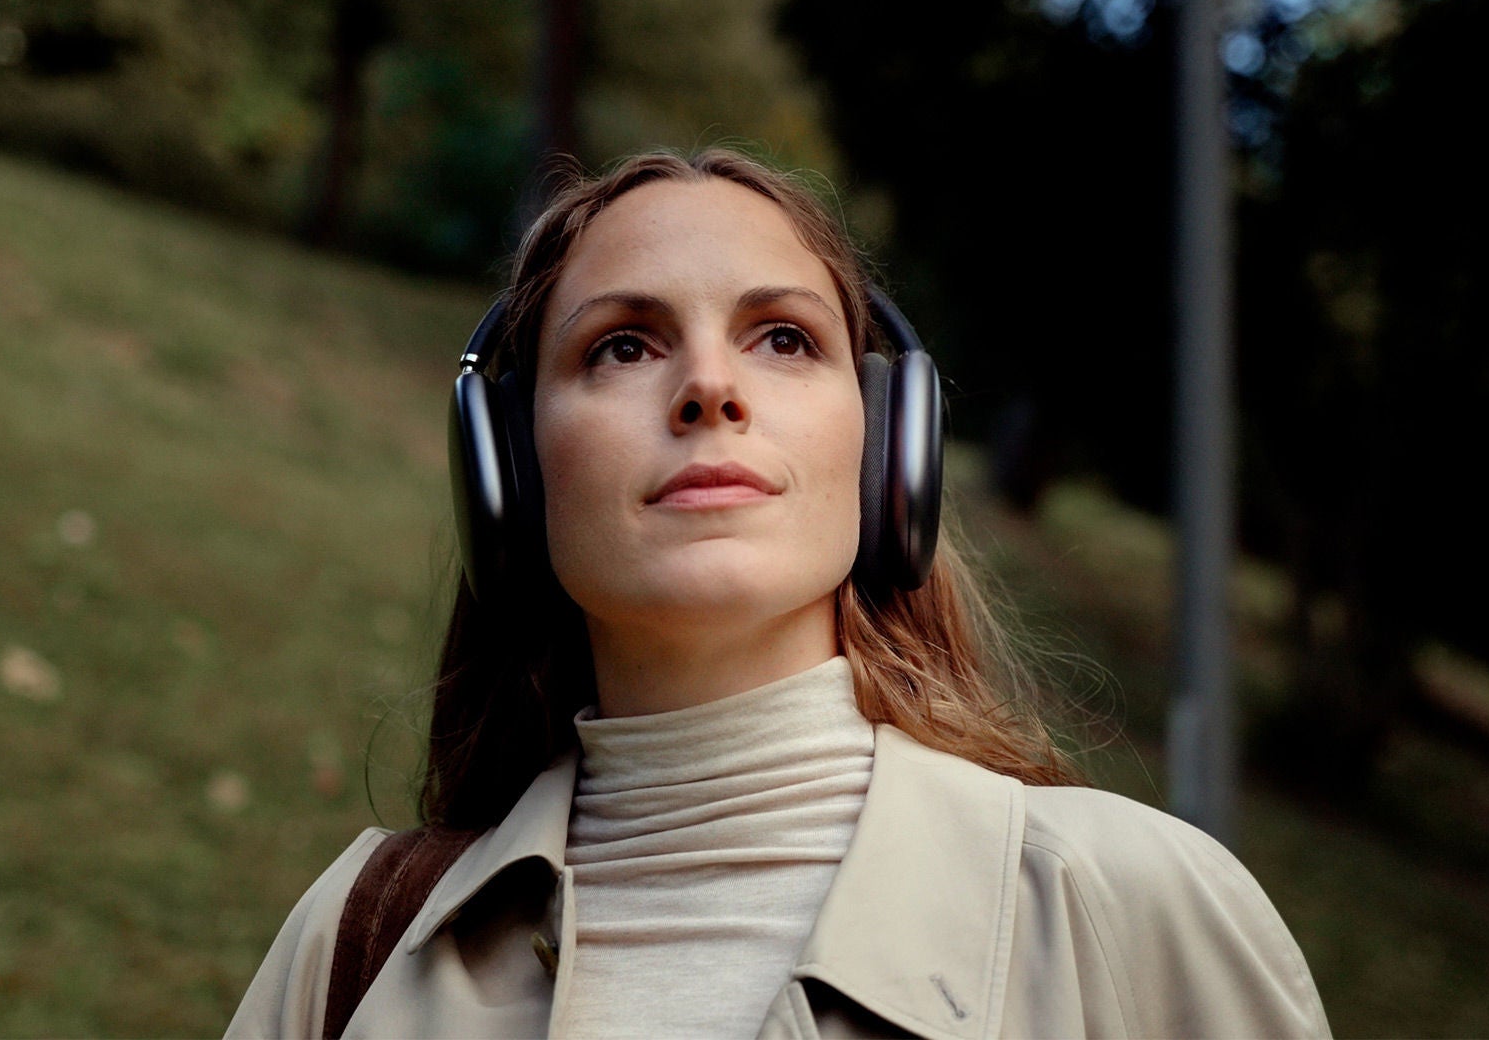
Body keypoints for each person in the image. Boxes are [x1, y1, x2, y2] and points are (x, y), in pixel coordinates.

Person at [226, 149, 1330, 1039]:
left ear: (890, 447)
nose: (710, 386)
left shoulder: (1132, 906)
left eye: (785, 338)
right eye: (621, 347)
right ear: (510, 471)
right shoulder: (358, 941)